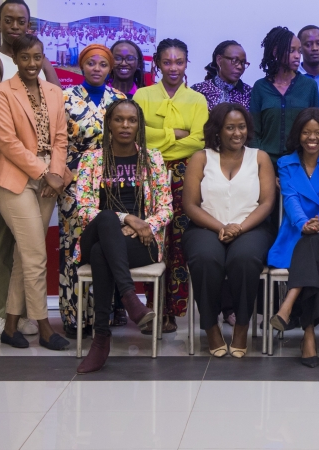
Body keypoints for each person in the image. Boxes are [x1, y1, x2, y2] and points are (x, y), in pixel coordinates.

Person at [71, 99, 174, 374]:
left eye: (132, 120)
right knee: (105, 216)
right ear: (109, 124)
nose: (125, 125)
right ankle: (130, 297)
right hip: (103, 230)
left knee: (100, 255)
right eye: (119, 120)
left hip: (141, 241)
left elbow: (166, 209)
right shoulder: (92, 159)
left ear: (139, 125)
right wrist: (127, 219)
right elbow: (84, 211)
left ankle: (101, 338)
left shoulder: (152, 159)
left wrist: (144, 226)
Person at [0, 33, 71, 351]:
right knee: (36, 254)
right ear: (16, 59)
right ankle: (44, 327)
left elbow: (61, 138)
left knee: (26, 255)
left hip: (49, 181)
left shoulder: (53, 91)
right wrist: (42, 173)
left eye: (37, 57)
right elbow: (7, 143)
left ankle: (10, 326)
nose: (32, 63)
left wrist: (55, 173)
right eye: (25, 58)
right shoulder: (2, 92)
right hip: (14, 181)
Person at [183, 103, 277, 358]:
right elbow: (189, 204)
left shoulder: (260, 157)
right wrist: (222, 227)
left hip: (251, 227)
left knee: (244, 259)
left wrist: (240, 228)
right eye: (230, 128)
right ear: (217, 130)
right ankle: (211, 326)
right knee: (205, 259)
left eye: (242, 127)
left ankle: (242, 326)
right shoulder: (201, 158)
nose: (238, 133)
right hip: (206, 226)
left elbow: (267, 202)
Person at [134, 38, 209, 332]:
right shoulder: (142, 95)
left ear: (187, 63)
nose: (173, 68)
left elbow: (199, 140)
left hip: (184, 177)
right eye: (167, 62)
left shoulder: (197, 100)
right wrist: (176, 135)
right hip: (149, 173)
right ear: (157, 62)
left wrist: (160, 138)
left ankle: (174, 309)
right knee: (151, 239)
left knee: (179, 242)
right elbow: (138, 134)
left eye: (179, 62)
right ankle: (152, 308)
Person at [267, 108, 319, 366]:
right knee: (308, 250)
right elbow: (289, 198)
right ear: (298, 134)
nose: (311, 138)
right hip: (296, 230)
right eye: (306, 132)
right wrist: (304, 224)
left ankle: (289, 305)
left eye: (318, 132)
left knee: (311, 246)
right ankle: (309, 334)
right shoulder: (285, 162)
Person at [57, 44, 128, 337]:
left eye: (102, 64)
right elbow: (56, 140)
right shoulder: (65, 98)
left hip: (110, 179)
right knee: (75, 246)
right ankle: (74, 317)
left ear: (110, 69)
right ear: (81, 66)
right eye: (91, 63)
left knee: (106, 246)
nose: (96, 68)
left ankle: (105, 315)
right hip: (73, 178)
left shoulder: (119, 99)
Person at [251, 26, 319, 164]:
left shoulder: (309, 86)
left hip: (300, 162)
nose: (297, 56)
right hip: (265, 162)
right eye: (291, 51)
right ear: (276, 52)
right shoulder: (260, 87)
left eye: (299, 51)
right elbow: (253, 132)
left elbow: (316, 127)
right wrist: (261, 164)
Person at [0, 0, 60, 92]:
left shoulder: (40, 60)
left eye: (21, 22)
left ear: (28, 26)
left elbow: (58, 96)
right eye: (8, 21)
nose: (15, 26)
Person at [191, 40, 253, 110]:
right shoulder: (198, 91)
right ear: (219, 60)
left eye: (243, 63)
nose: (240, 67)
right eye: (235, 60)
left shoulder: (250, 94)